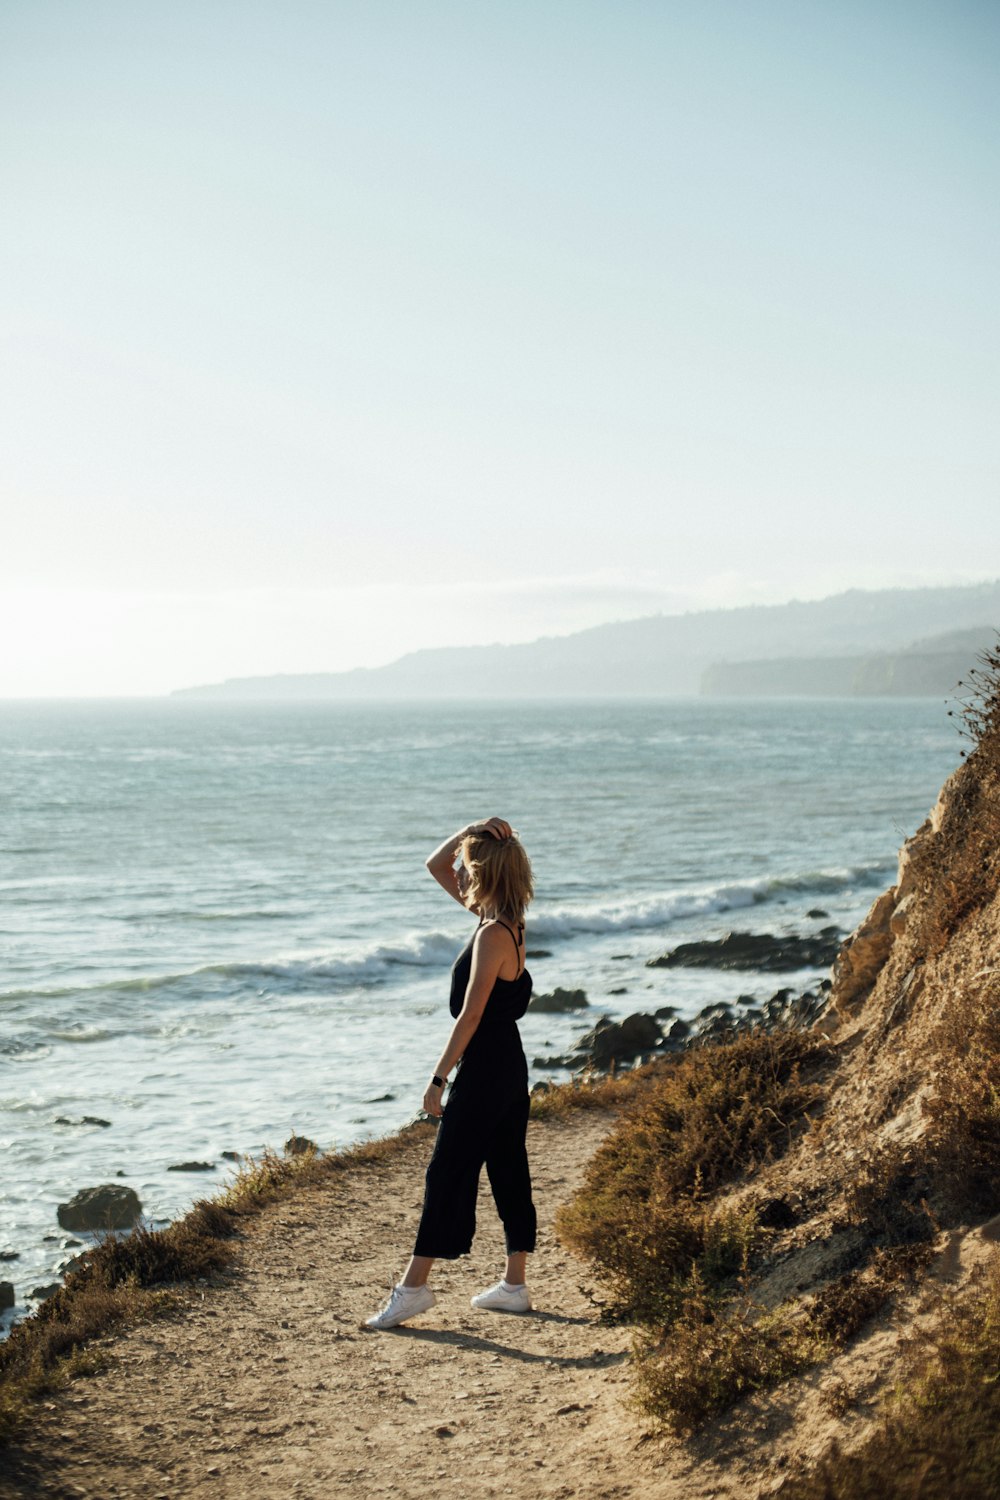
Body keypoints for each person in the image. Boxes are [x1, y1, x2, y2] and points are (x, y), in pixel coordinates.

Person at [365, 816, 537, 1329]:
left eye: (468, 866)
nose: (458, 873)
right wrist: (472, 827)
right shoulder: (510, 919)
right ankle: (515, 1285)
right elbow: (434, 864)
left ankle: (412, 1289)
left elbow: (471, 1015)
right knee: (508, 1166)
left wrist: (438, 1078)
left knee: (447, 1173)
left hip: (484, 1070)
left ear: (482, 873)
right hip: (510, 1065)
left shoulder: (490, 936)